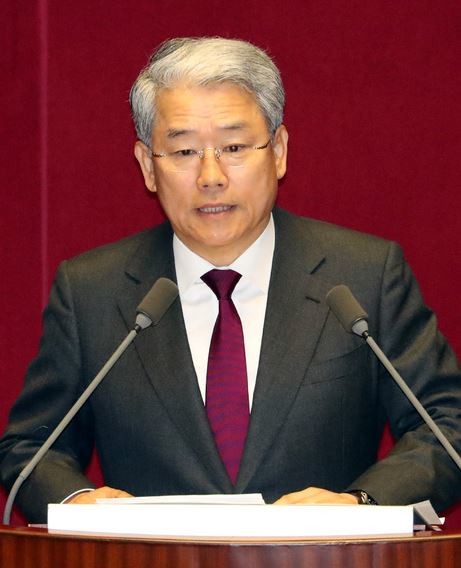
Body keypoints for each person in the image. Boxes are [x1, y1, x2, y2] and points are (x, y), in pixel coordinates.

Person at [1, 37, 461, 524]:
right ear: (147, 167)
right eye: (183, 151)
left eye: (234, 147)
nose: (211, 176)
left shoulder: (362, 277)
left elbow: (447, 427)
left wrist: (359, 506)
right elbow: (31, 446)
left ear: (278, 151)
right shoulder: (92, 292)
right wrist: (78, 502)